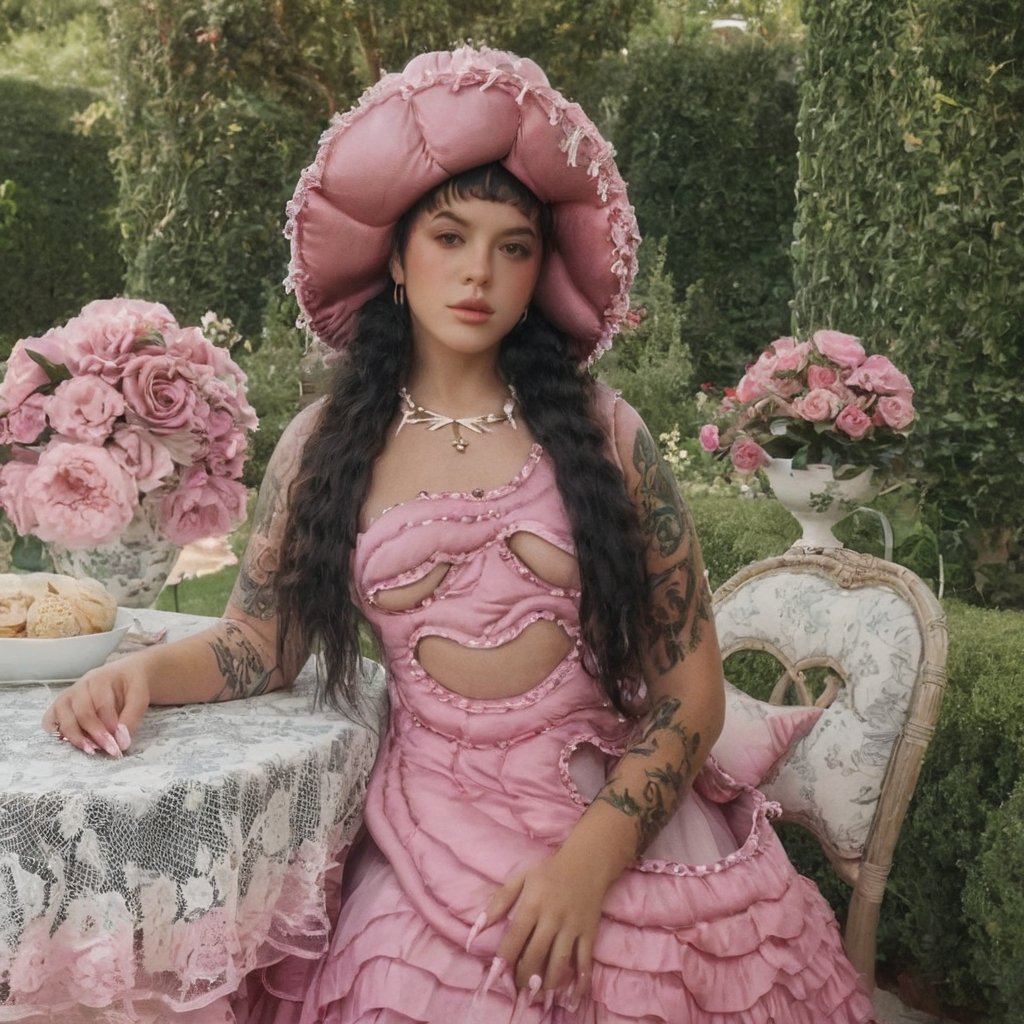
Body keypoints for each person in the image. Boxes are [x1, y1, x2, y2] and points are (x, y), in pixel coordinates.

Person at [43, 47, 878, 1024]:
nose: (479, 271)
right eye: (449, 236)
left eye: (513, 246)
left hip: (613, 812)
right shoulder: (325, 445)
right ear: (396, 258)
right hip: (431, 817)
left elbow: (688, 691)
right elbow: (258, 640)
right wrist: (140, 676)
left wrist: (588, 860)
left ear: (539, 267)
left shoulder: (605, 433)